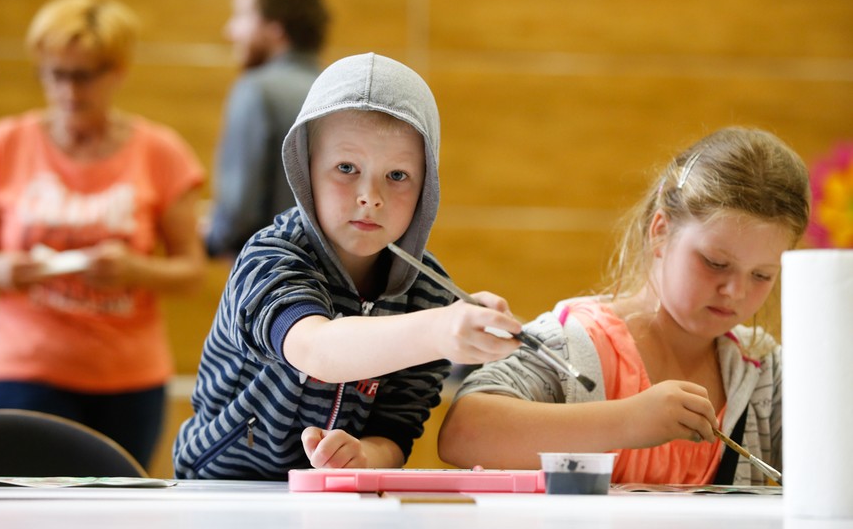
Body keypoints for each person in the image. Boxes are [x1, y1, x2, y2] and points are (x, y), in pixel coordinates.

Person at [173, 52, 523, 480]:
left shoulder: (430, 295)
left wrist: (365, 456)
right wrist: (437, 330)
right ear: (307, 172)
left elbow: (396, 432)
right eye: (346, 168)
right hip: (218, 493)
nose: (369, 197)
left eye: (397, 176)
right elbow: (316, 349)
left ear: (426, 188)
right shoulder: (269, 257)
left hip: (336, 503)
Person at [438, 127, 810, 486]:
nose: (735, 291)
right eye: (715, 263)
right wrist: (629, 420)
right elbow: (463, 433)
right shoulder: (572, 341)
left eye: (762, 275)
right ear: (661, 230)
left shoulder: (765, 373)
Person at [0, 0, 206, 468]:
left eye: (84, 76)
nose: (69, 91)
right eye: (56, 75)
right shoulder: (2, 146)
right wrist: (8, 269)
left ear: (117, 72)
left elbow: (192, 271)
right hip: (28, 368)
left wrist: (135, 270)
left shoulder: (160, 152)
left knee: (120, 509)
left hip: (129, 378)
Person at [204, 0, 330, 259]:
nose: (229, 31)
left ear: (276, 27)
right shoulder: (335, 92)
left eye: (241, 16)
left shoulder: (256, 91)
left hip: (270, 279)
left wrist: (209, 237)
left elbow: (238, 211)